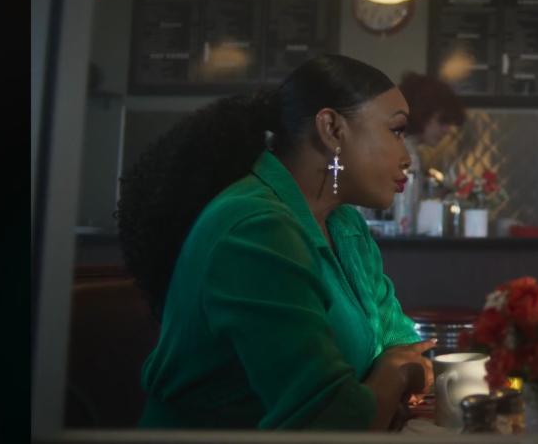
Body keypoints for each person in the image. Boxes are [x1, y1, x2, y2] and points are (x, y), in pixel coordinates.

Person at [117, 55, 435, 430]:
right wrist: (396, 374)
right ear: (332, 129)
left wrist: (389, 372)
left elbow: (399, 338)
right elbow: (328, 424)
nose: (406, 158)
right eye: (396, 131)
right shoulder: (254, 231)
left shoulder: (345, 224)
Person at [388, 72, 467, 233]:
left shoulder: (408, 150)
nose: (447, 130)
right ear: (422, 113)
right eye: (443, 121)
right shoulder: (401, 152)